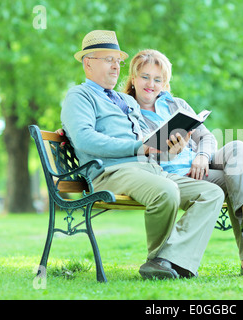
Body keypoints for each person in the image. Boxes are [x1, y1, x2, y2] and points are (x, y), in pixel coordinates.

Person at [61, 30, 225, 279]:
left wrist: (169, 149)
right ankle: (159, 260)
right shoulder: (79, 95)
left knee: (211, 193)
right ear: (88, 63)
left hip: (148, 169)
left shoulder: (123, 99)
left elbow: (145, 144)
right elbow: (85, 139)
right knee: (166, 191)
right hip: (111, 172)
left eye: (118, 61)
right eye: (108, 60)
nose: (116, 67)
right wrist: (140, 148)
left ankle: (167, 261)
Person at [122, 49, 243, 277]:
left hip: (198, 168)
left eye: (158, 79)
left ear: (165, 83)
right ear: (133, 79)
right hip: (168, 175)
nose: (151, 84)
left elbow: (207, 137)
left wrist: (202, 156)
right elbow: (136, 154)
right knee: (237, 185)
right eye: (145, 77)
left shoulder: (176, 104)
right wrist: (170, 152)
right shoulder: (127, 110)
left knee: (238, 149)